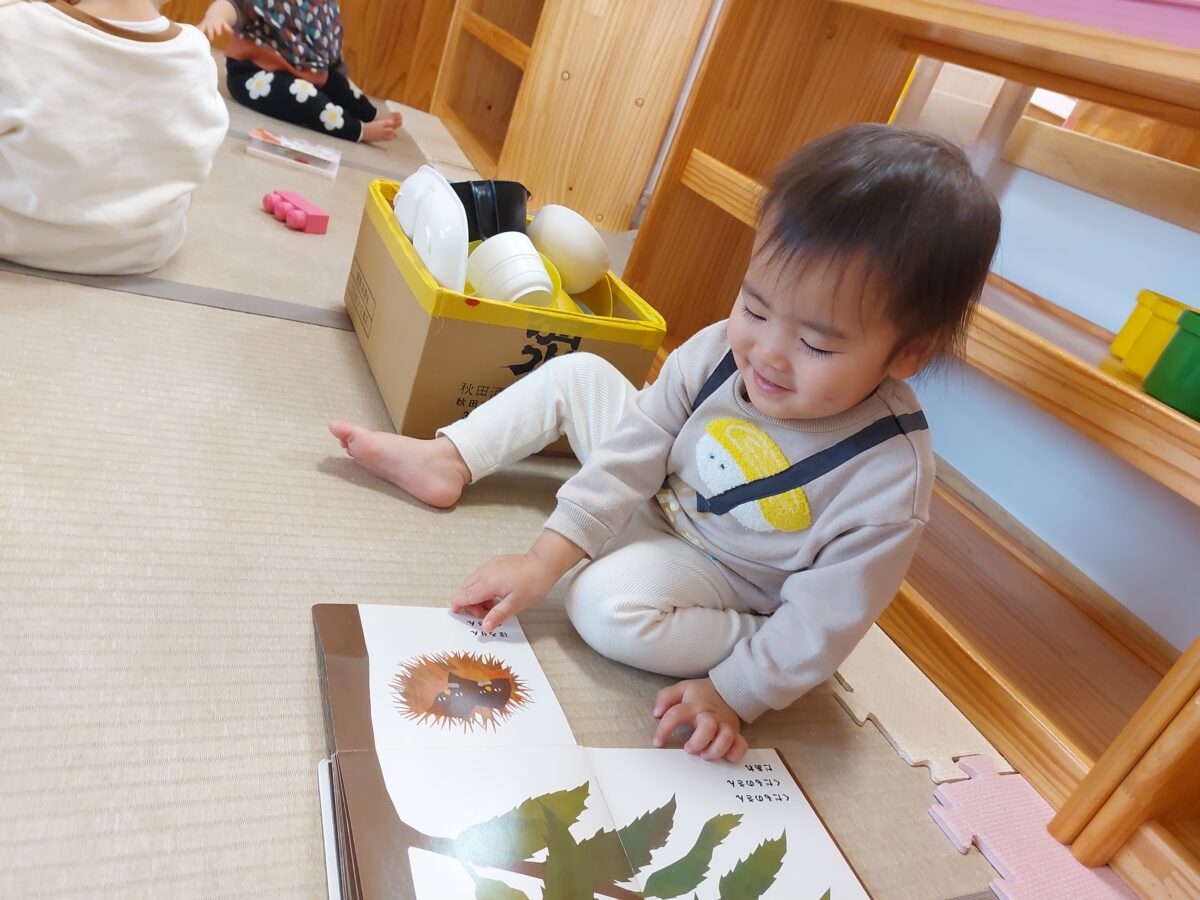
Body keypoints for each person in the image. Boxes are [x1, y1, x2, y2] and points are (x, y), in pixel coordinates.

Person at [329, 124, 1001, 763]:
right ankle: (449, 459)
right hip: (663, 492)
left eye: (817, 344)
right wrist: (544, 558)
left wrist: (738, 690)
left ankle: (759, 648)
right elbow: (637, 446)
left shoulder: (887, 479)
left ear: (909, 354)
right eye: (755, 307)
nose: (766, 353)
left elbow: (829, 614)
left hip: (727, 574)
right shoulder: (720, 350)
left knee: (599, 606)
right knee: (580, 374)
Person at [0, 0, 228, 275]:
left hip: (16, 235)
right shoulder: (195, 54)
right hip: (143, 249)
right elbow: (198, 150)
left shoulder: (15, 26)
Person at [200, 0, 401, 143]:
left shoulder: (324, 6)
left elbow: (329, 47)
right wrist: (216, 16)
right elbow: (235, 4)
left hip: (300, 69)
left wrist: (338, 84)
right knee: (306, 95)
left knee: (339, 83)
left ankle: (370, 114)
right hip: (253, 74)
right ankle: (357, 130)